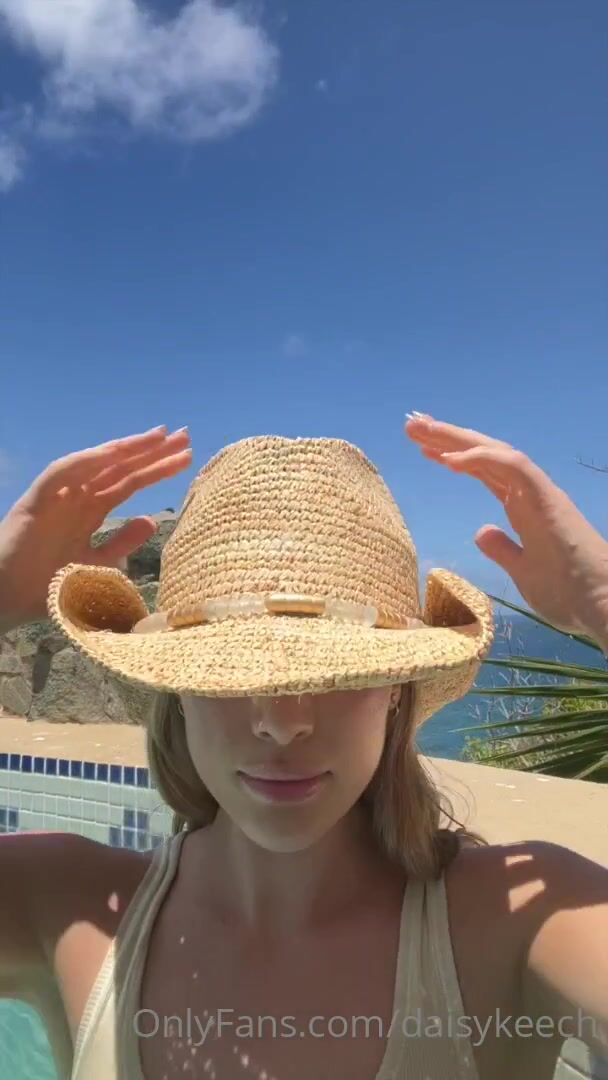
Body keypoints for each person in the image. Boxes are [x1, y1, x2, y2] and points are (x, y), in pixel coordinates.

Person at [0, 415, 606, 1080]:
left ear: (396, 691)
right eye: (229, 670)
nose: (282, 723)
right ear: (177, 691)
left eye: (337, 675)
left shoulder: (523, 923)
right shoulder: (59, 897)